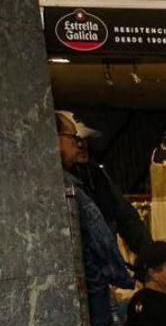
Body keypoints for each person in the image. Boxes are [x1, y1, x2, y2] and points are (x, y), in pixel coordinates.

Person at [57, 111, 136, 326]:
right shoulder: (71, 188)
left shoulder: (85, 179)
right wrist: (119, 275)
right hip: (87, 285)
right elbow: (100, 235)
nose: (79, 145)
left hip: (75, 288)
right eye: (73, 138)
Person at [59, 111, 152, 260]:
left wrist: (149, 254)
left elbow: (125, 216)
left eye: (84, 140)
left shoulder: (96, 174)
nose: (82, 146)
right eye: (75, 140)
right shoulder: (55, 181)